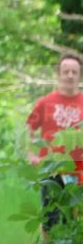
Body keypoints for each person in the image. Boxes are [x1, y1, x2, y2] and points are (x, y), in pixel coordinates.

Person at [27, 53, 83, 233]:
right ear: (58, 74)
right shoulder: (45, 103)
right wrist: (31, 154)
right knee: (50, 217)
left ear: (80, 75)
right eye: (66, 71)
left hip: (79, 167)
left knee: (76, 217)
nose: (70, 76)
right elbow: (28, 129)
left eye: (74, 72)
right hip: (51, 167)